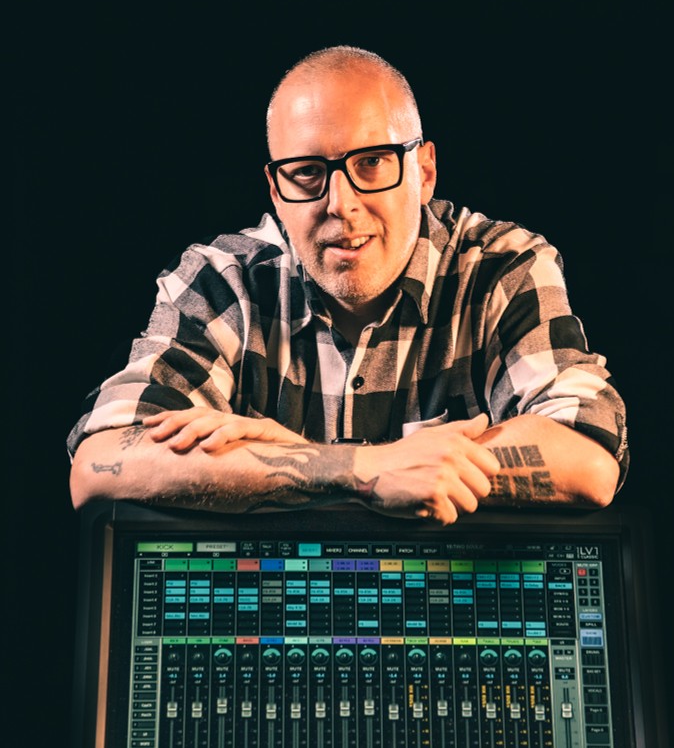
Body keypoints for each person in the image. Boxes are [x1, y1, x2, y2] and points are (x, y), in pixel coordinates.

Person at [68, 45, 628, 525]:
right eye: (307, 172)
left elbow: (587, 455)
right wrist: (363, 470)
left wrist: (283, 459)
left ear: (424, 172)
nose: (340, 204)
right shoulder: (223, 280)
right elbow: (99, 463)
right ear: (276, 190)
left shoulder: (500, 267)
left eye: (372, 163)